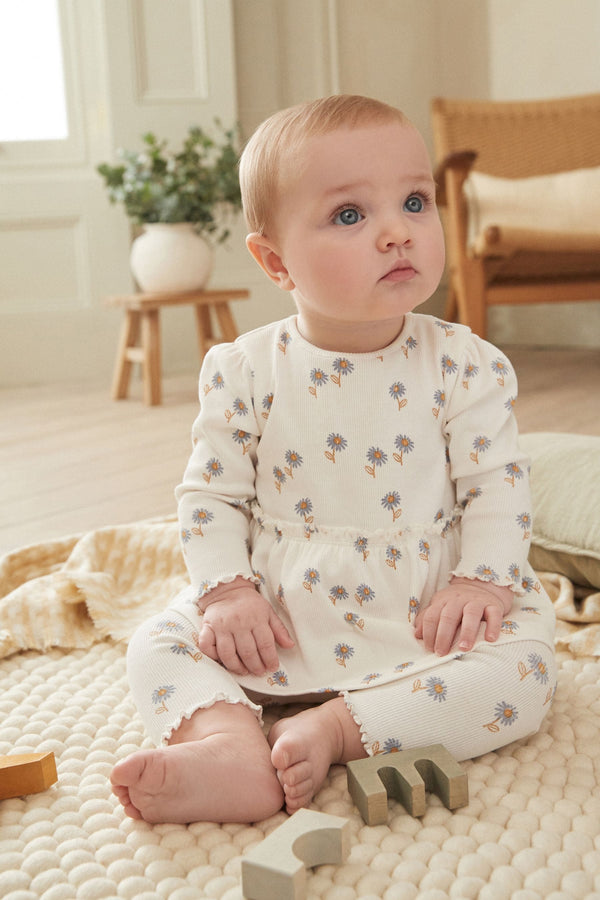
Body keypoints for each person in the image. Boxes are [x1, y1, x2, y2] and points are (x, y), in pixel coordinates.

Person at [110, 94, 556, 825]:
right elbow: (211, 498)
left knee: (527, 676)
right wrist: (228, 595)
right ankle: (227, 746)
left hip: (426, 604)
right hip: (287, 605)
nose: (396, 233)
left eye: (415, 202)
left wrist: (483, 581)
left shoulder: (463, 364)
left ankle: (336, 728)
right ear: (275, 260)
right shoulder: (245, 370)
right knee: (157, 641)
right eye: (351, 215)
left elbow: (498, 489)